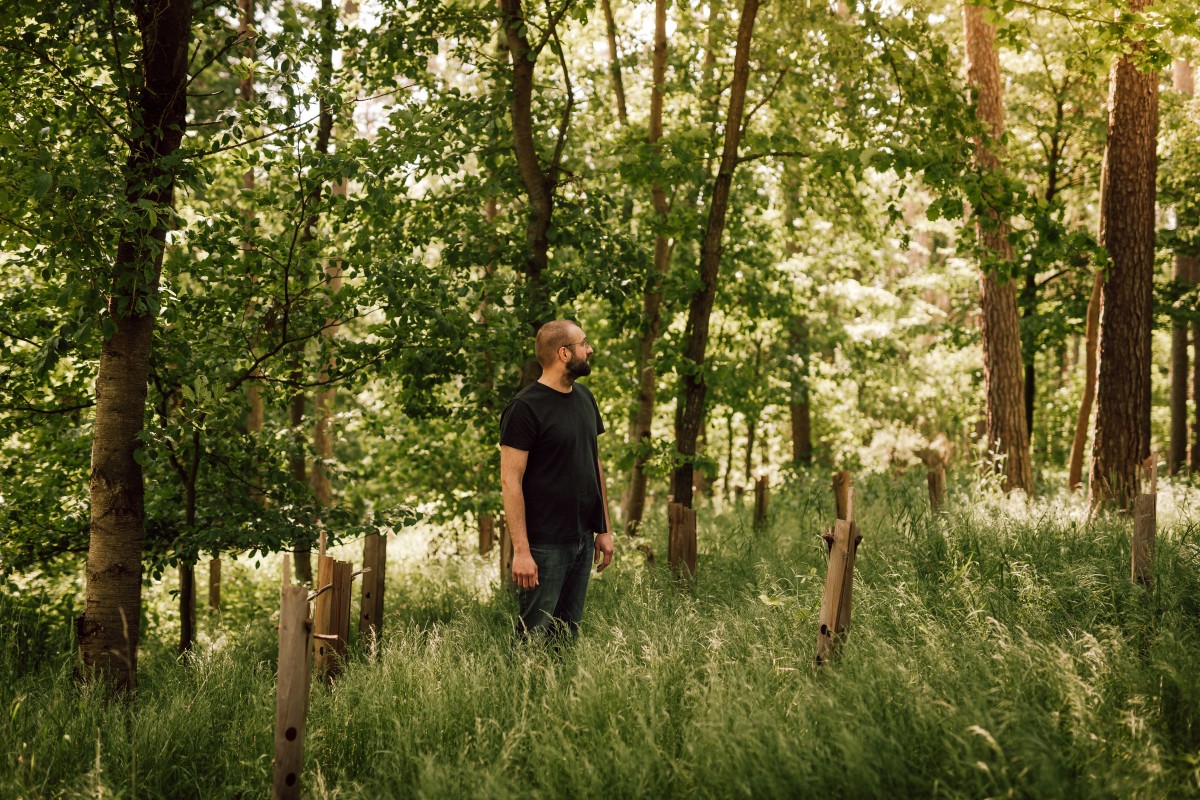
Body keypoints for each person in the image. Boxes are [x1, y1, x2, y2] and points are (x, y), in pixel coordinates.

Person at [499, 319, 615, 641]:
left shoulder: (585, 398)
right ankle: (520, 691)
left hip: (581, 539)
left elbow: (594, 464)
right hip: (544, 545)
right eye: (584, 343)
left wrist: (603, 528)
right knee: (531, 638)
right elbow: (511, 481)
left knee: (566, 636)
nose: (589, 349)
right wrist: (521, 550)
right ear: (564, 353)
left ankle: (559, 691)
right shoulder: (524, 408)